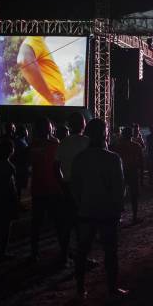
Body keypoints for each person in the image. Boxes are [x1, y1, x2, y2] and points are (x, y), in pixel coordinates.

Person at [72, 119, 128, 299]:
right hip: (107, 212)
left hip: (86, 210)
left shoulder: (80, 158)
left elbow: (75, 186)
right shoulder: (113, 158)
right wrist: (118, 210)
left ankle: (80, 289)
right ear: (104, 134)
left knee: (82, 251)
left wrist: (80, 203)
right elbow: (119, 189)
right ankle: (112, 288)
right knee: (110, 252)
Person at [29, 117, 67, 264]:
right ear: (50, 129)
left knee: (36, 224)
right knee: (59, 224)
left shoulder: (32, 146)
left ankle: (34, 254)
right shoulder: (56, 145)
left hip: (39, 189)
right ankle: (64, 255)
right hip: (54, 189)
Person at [55, 112, 90, 262]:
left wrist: (62, 184)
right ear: (83, 125)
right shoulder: (89, 142)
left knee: (67, 225)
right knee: (82, 226)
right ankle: (82, 257)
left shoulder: (63, 143)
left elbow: (55, 167)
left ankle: (64, 257)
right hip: (84, 188)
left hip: (68, 187)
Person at [17, 36, 66, 105]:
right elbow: (23, 60)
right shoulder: (35, 38)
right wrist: (51, 98)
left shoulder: (39, 42)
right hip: (49, 104)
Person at [112, 127, 143, 224]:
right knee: (134, 195)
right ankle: (134, 216)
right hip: (133, 171)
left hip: (121, 171)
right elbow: (141, 162)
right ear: (131, 135)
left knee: (120, 194)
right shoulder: (136, 146)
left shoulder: (118, 146)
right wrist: (141, 175)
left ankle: (119, 217)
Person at [12, 125, 30, 202]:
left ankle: (17, 202)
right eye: (26, 130)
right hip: (19, 167)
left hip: (22, 166)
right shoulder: (18, 141)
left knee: (19, 187)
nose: (27, 131)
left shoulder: (23, 140)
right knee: (17, 186)